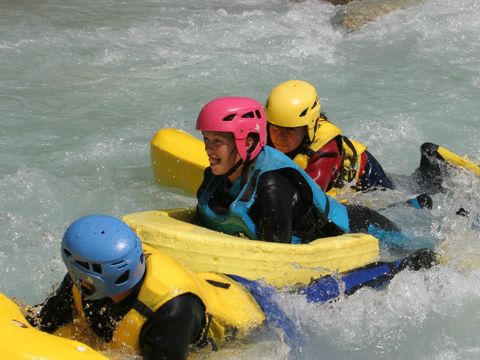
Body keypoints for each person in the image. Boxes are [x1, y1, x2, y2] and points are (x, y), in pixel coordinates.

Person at [27, 214, 438, 359]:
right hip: (215, 286)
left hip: (254, 309)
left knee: (331, 292)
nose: (72, 280)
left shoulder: (170, 312)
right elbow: (41, 323)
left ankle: (411, 265)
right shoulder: (87, 279)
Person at [195, 96, 411, 246]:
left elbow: (278, 258)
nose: (208, 149)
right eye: (206, 140)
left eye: (217, 141)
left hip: (362, 228)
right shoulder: (213, 179)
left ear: (249, 143)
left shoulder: (272, 185)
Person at [264, 80, 452, 195]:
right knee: (407, 182)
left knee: (410, 191)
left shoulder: (325, 148)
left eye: (290, 130)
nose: (279, 136)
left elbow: (311, 193)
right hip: (338, 172)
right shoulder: (267, 132)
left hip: (367, 175)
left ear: (309, 128)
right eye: (275, 127)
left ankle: (433, 164)